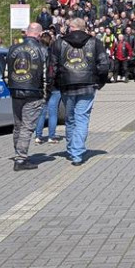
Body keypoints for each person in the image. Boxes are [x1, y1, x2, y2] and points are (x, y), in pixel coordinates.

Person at [48, 17, 109, 165]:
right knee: (82, 118)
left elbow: (52, 67)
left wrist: (53, 84)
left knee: (70, 119)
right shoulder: (95, 42)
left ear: (71, 28)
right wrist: (99, 82)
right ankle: (77, 153)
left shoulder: (59, 43)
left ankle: (72, 149)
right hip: (88, 84)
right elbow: (104, 65)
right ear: (84, 28)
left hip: (66, 84)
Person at [6, 23, 47, 171]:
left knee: (18, 125)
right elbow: (46, 75)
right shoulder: (42, 50)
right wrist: (45, 93)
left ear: (27, 32)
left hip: (15, 90)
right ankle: (21, 159)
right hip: (33, 91)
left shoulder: (13, 48)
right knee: (27, 126)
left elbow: (6, 72)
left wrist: (10, 86)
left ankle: (18, 153)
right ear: (39, 34)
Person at [35, 32, 60, 144]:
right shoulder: (54, 53)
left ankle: (38, 136)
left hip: (41, 85)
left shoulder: (37, 52)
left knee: (41, 111)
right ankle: (51, 136)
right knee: (52, 112)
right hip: (54, 85)